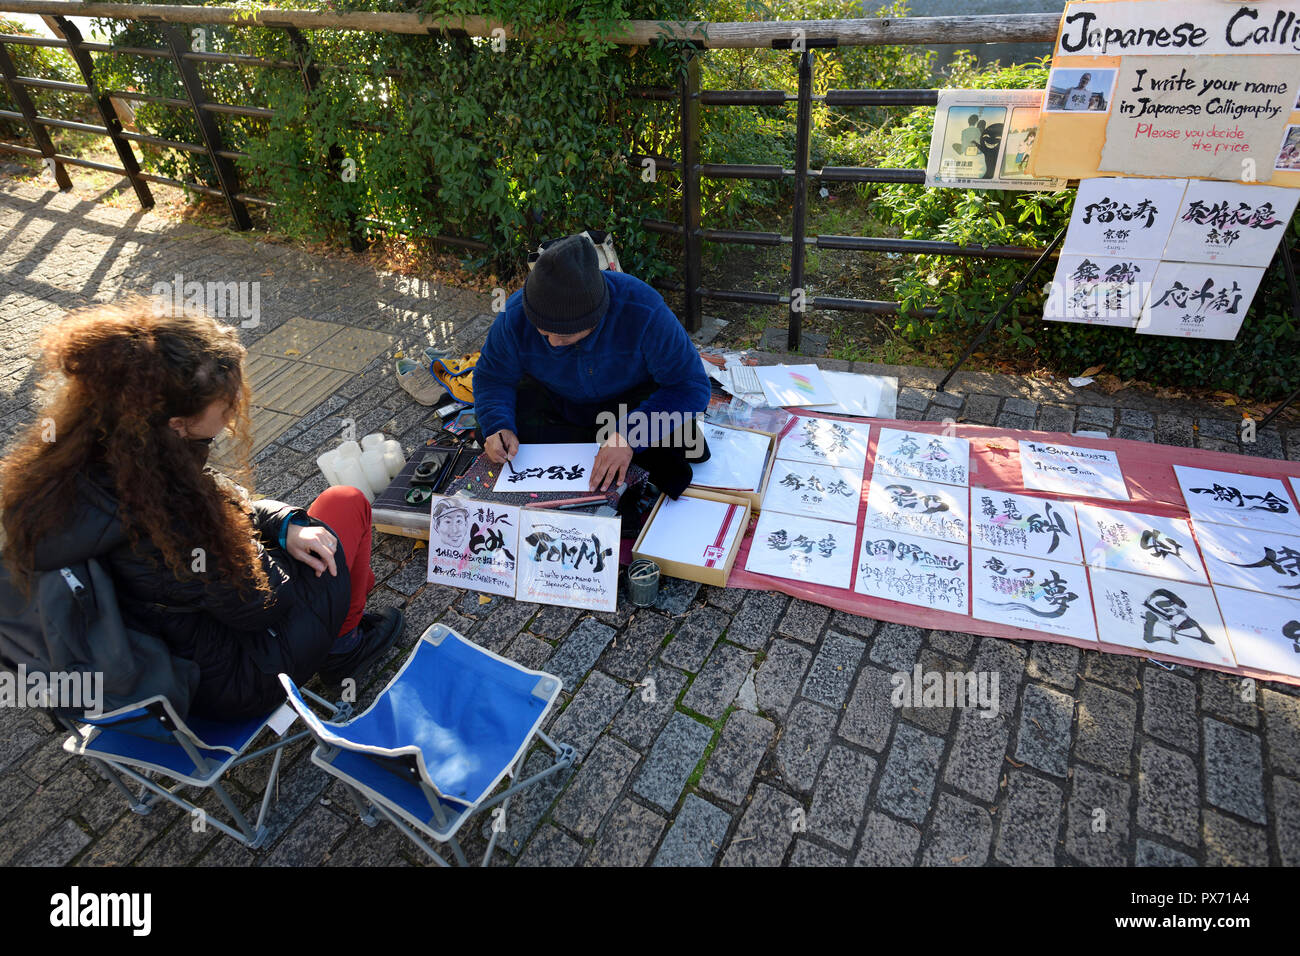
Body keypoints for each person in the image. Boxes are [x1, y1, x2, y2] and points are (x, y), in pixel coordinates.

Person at [0, 298, 403, 720]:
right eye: (226, 406)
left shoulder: (93, 454)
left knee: (317, 522)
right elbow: (266, 601)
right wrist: (267, 542)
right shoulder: (165, 509)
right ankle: (345, 649)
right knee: (344, 509)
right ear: (177, 422)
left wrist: (281, 523)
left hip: (162, 657)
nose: (232, 417)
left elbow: (220, 495)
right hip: (237, 677)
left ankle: (341, 617)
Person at [473, 234, 712, 499]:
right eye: (543, 332)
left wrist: (628, 436)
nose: (552, 343)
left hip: (628, 405)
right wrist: (498, 425)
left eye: (563, 336)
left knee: (684, 441)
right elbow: (492, 377)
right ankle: (602, 451)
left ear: (596, 318)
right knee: (490, 428)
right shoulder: (514, 314)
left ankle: (611, 450)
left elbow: (691, 387)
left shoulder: (642, 310)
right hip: (557, 402)